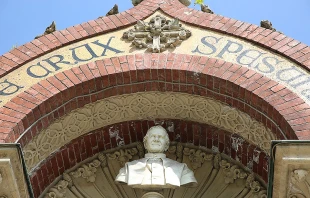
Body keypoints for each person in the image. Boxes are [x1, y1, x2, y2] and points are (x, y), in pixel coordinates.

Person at [115, 125, 197, 189]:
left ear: (166, 145)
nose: (156, 139)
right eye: (153, 136)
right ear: (145, 143)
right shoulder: (128, 168)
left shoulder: (182, 169)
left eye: (160, 137)